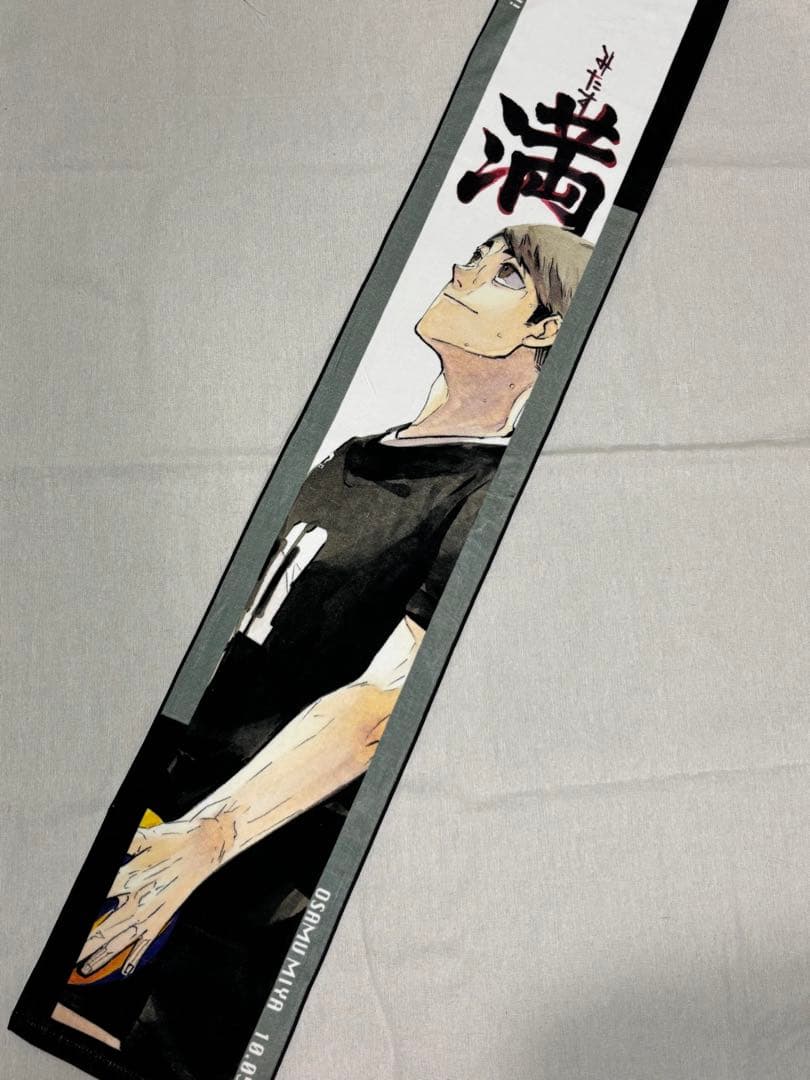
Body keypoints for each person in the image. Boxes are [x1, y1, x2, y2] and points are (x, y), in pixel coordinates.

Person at [59, 223, 593, 1078]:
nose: (461, 272)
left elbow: (384, 703)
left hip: (249, 859)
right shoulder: (353, 454)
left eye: (501, 274)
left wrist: (212, 834)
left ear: (545, 329)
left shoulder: (483, 492)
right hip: (163, 803)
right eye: (471, 256)